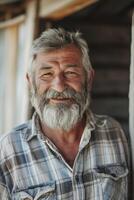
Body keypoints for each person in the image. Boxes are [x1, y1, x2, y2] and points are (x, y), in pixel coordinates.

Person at [0, 28, 130, 200]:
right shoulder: (8, 150)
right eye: (47, 74)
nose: (59, 86)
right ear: (31, 83)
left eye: (70, 73)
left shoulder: (113, 132)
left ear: (89, 79)